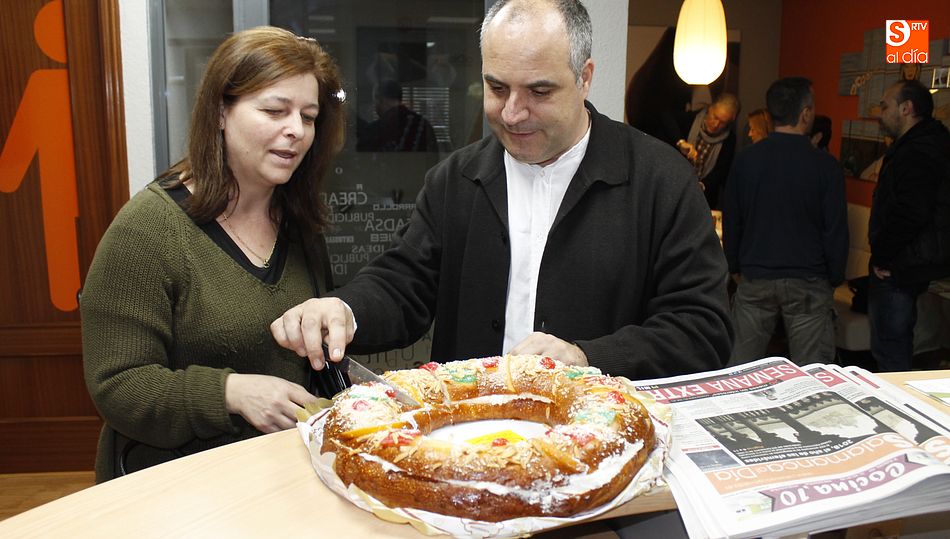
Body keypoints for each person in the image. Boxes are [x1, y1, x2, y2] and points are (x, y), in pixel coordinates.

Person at [271, 0, 732, 382]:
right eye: (496, 88)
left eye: (539, 91)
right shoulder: (455, 179)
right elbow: (404, 284)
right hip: (473, 441)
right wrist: (344, 309)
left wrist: (586, 358)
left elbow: (702, 330)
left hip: (601, 446)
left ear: (585, 77)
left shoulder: (661, 180)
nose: (513, 113)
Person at [81, 27, 346, 482]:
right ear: (220, 112)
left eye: (309, 115)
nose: (296, 131)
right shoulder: (146, 231)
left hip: (280, 477)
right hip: (175, 488)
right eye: (274, 110)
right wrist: (230, 392)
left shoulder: (299, 223)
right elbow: (117, 387)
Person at [723, 77, 849, 366]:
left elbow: (734, 219)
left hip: (755, 276)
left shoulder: (746, 161)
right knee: (814, 373)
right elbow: (835, 230)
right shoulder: (825, 166)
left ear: (770, 115)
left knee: (738, 370)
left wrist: (735, 266)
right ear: (805, 113)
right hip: (808, 278)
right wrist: (835, 277)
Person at [868, 78, 950, 372]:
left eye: (885, 105)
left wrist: (883, 256)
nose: (880, 112)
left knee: (891, 355)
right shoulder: (927, 143)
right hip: (913, 264)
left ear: (906, 108)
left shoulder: (917, 151)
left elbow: (911, 212)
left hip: (902, 268)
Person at [663, 92, 740, 209]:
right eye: (715, 117)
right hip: (673, 190)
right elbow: (666, 117)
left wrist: (702, 186)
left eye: (723, 122)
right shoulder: (691, 119)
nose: (716, 124)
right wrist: (681, 142)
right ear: (710, 109)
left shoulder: (729, 140)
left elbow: (720, 172)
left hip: (704, 200)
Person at [356, 78, 438, 152]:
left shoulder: (375, 131)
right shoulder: (423, 125)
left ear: (380, 100)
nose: (375, 107)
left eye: (375, 102)